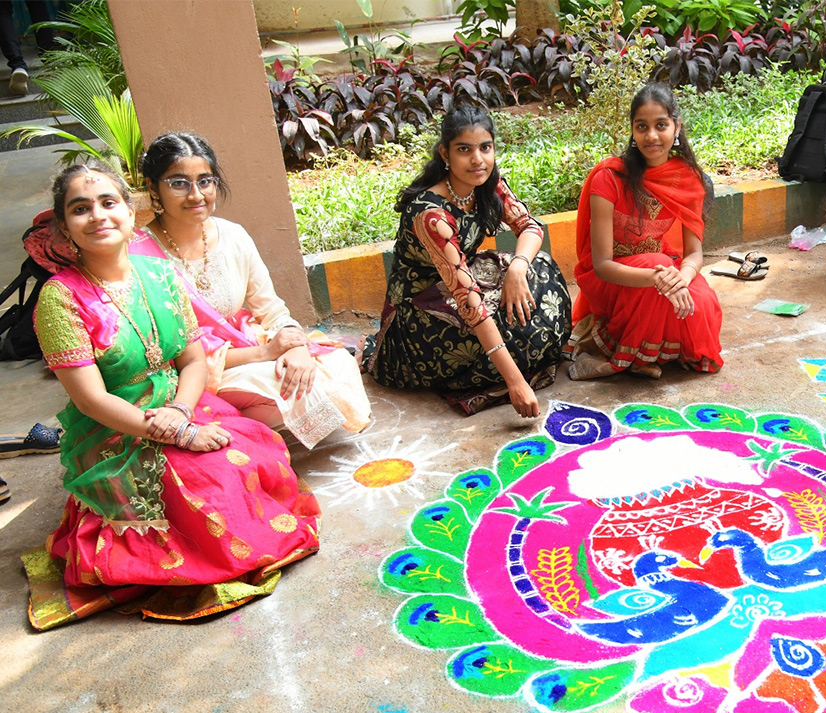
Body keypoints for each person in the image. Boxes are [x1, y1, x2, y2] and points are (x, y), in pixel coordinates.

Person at [24, 160, 321, 631]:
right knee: (211, 488)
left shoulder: (158, 274)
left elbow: (193, 360)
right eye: (81, 209)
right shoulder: (60, 299)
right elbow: (89, 400)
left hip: (180, 402)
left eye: (108, 202)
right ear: (64, 226)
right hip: (115, 427)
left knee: (252, 453)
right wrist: (174, 432)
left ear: (130, 210)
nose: (98, 216)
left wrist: (183, 410)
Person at [133, 132, 371, 448]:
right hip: (191, 373)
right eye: (179, 184)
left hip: (242, 346)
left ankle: (237, 423)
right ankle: (223, 426)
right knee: (281, 389)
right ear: (153, 188)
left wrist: (296, 347)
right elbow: (165, 353)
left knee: (334, 366)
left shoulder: (233, 236)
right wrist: (265, 353)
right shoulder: (138, 256)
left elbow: (270, 307)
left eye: (205, 181)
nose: (196, 195)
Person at [365, 103, 570, 417]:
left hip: (466, 284)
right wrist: (515, 382)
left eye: (485, 148)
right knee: (506, 326)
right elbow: (469, 303)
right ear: (445, 154)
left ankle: (516, 351)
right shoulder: (432, 216)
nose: (478, 159)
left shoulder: (487, 183)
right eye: (465, 150)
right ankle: (512, 365)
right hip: (421, 315)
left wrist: (517, 268)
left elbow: (529, 227)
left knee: (540, 269)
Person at [570, 83, 723, 378]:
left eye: (661, 125)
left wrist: (681, 279)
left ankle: (647, 350)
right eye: (642, 126)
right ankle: (633, 355)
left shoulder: (689, 179)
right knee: (661, 265)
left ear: (676, 127)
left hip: (664, 271)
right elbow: (601, 266)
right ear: (632, 130)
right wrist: (658, 278)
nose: (651, 136)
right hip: (615, 279)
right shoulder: (609, 178)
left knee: (701, 302)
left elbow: (693, 254)